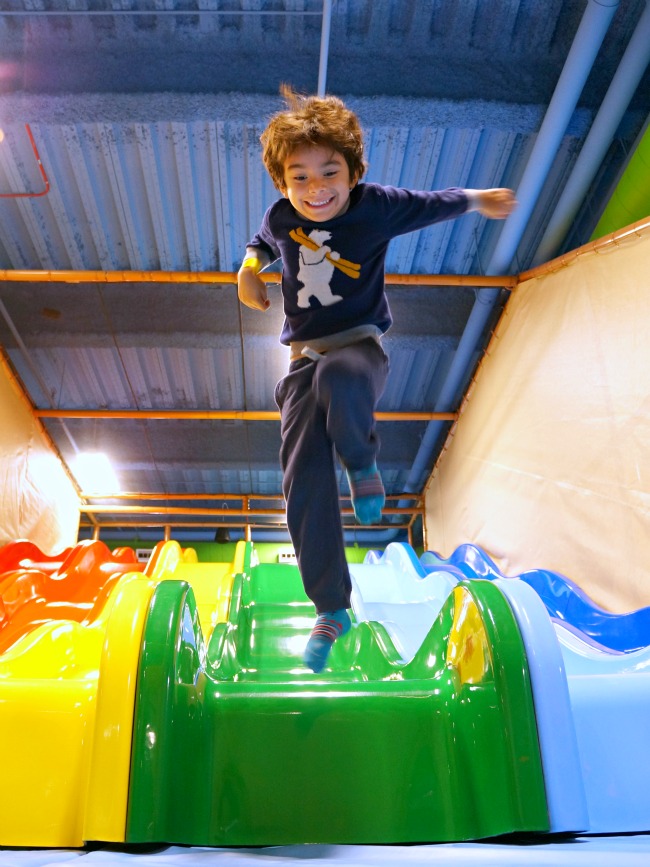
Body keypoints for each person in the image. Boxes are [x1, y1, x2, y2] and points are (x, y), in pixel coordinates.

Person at [238, 85, 516, 673]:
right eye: (300, 178)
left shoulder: (375, 205)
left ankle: (362, 466)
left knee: (341, 377)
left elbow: (430, 202)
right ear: (283, 183)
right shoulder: (281, 217)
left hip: (358, 350)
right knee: (302, 481)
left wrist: (476, 199)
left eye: (329, 173)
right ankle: (331, 608)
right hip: (299, 363)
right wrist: (248, 271)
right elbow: (262, 242)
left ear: (353, 170)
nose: (316, 190)